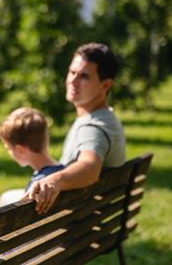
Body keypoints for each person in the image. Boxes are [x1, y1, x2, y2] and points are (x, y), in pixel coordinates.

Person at [23, 42, 126, 214]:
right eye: (72, 72)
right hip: (93, 226)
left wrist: (54, 180)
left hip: (74, 227)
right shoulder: (107, 118)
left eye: (84, 76)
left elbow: (90, 167)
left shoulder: (92, 128)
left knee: (7, 198)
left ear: (106, 85)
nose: (73, 81)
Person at [0, 107, 64, 207]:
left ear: (20, 150)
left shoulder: (37, 187)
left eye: (8, 148)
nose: (9, 153)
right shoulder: (66, 173)